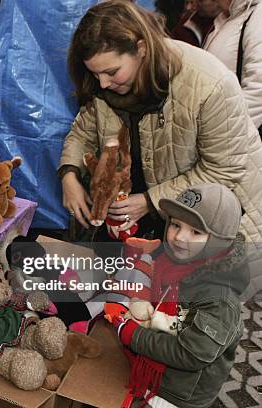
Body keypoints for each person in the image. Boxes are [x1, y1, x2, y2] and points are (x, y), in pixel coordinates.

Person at [59, 0, 262, 249]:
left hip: (209, 229)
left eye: (112, 72)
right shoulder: (106, 86)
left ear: (141, 48)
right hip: (153, 220)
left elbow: (224, 170)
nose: (102, 84)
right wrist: (69, 175)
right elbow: (82, 132)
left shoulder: (209, 83)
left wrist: (150, 200)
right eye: (94, 74)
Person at [109, 183, 248, 408]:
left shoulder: (220, 299)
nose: (180, 238)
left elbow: (191, 354)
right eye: (175, 224)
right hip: (151, 369)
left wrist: (134, 336)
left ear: (218, 241)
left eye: (196, 231)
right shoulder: (172, 262)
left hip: (178, 394)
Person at [203, 0, 262, 136]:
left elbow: (258, 89)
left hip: (235, 141)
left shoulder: (257, 14)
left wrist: (222, 136)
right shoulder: (225, 18)